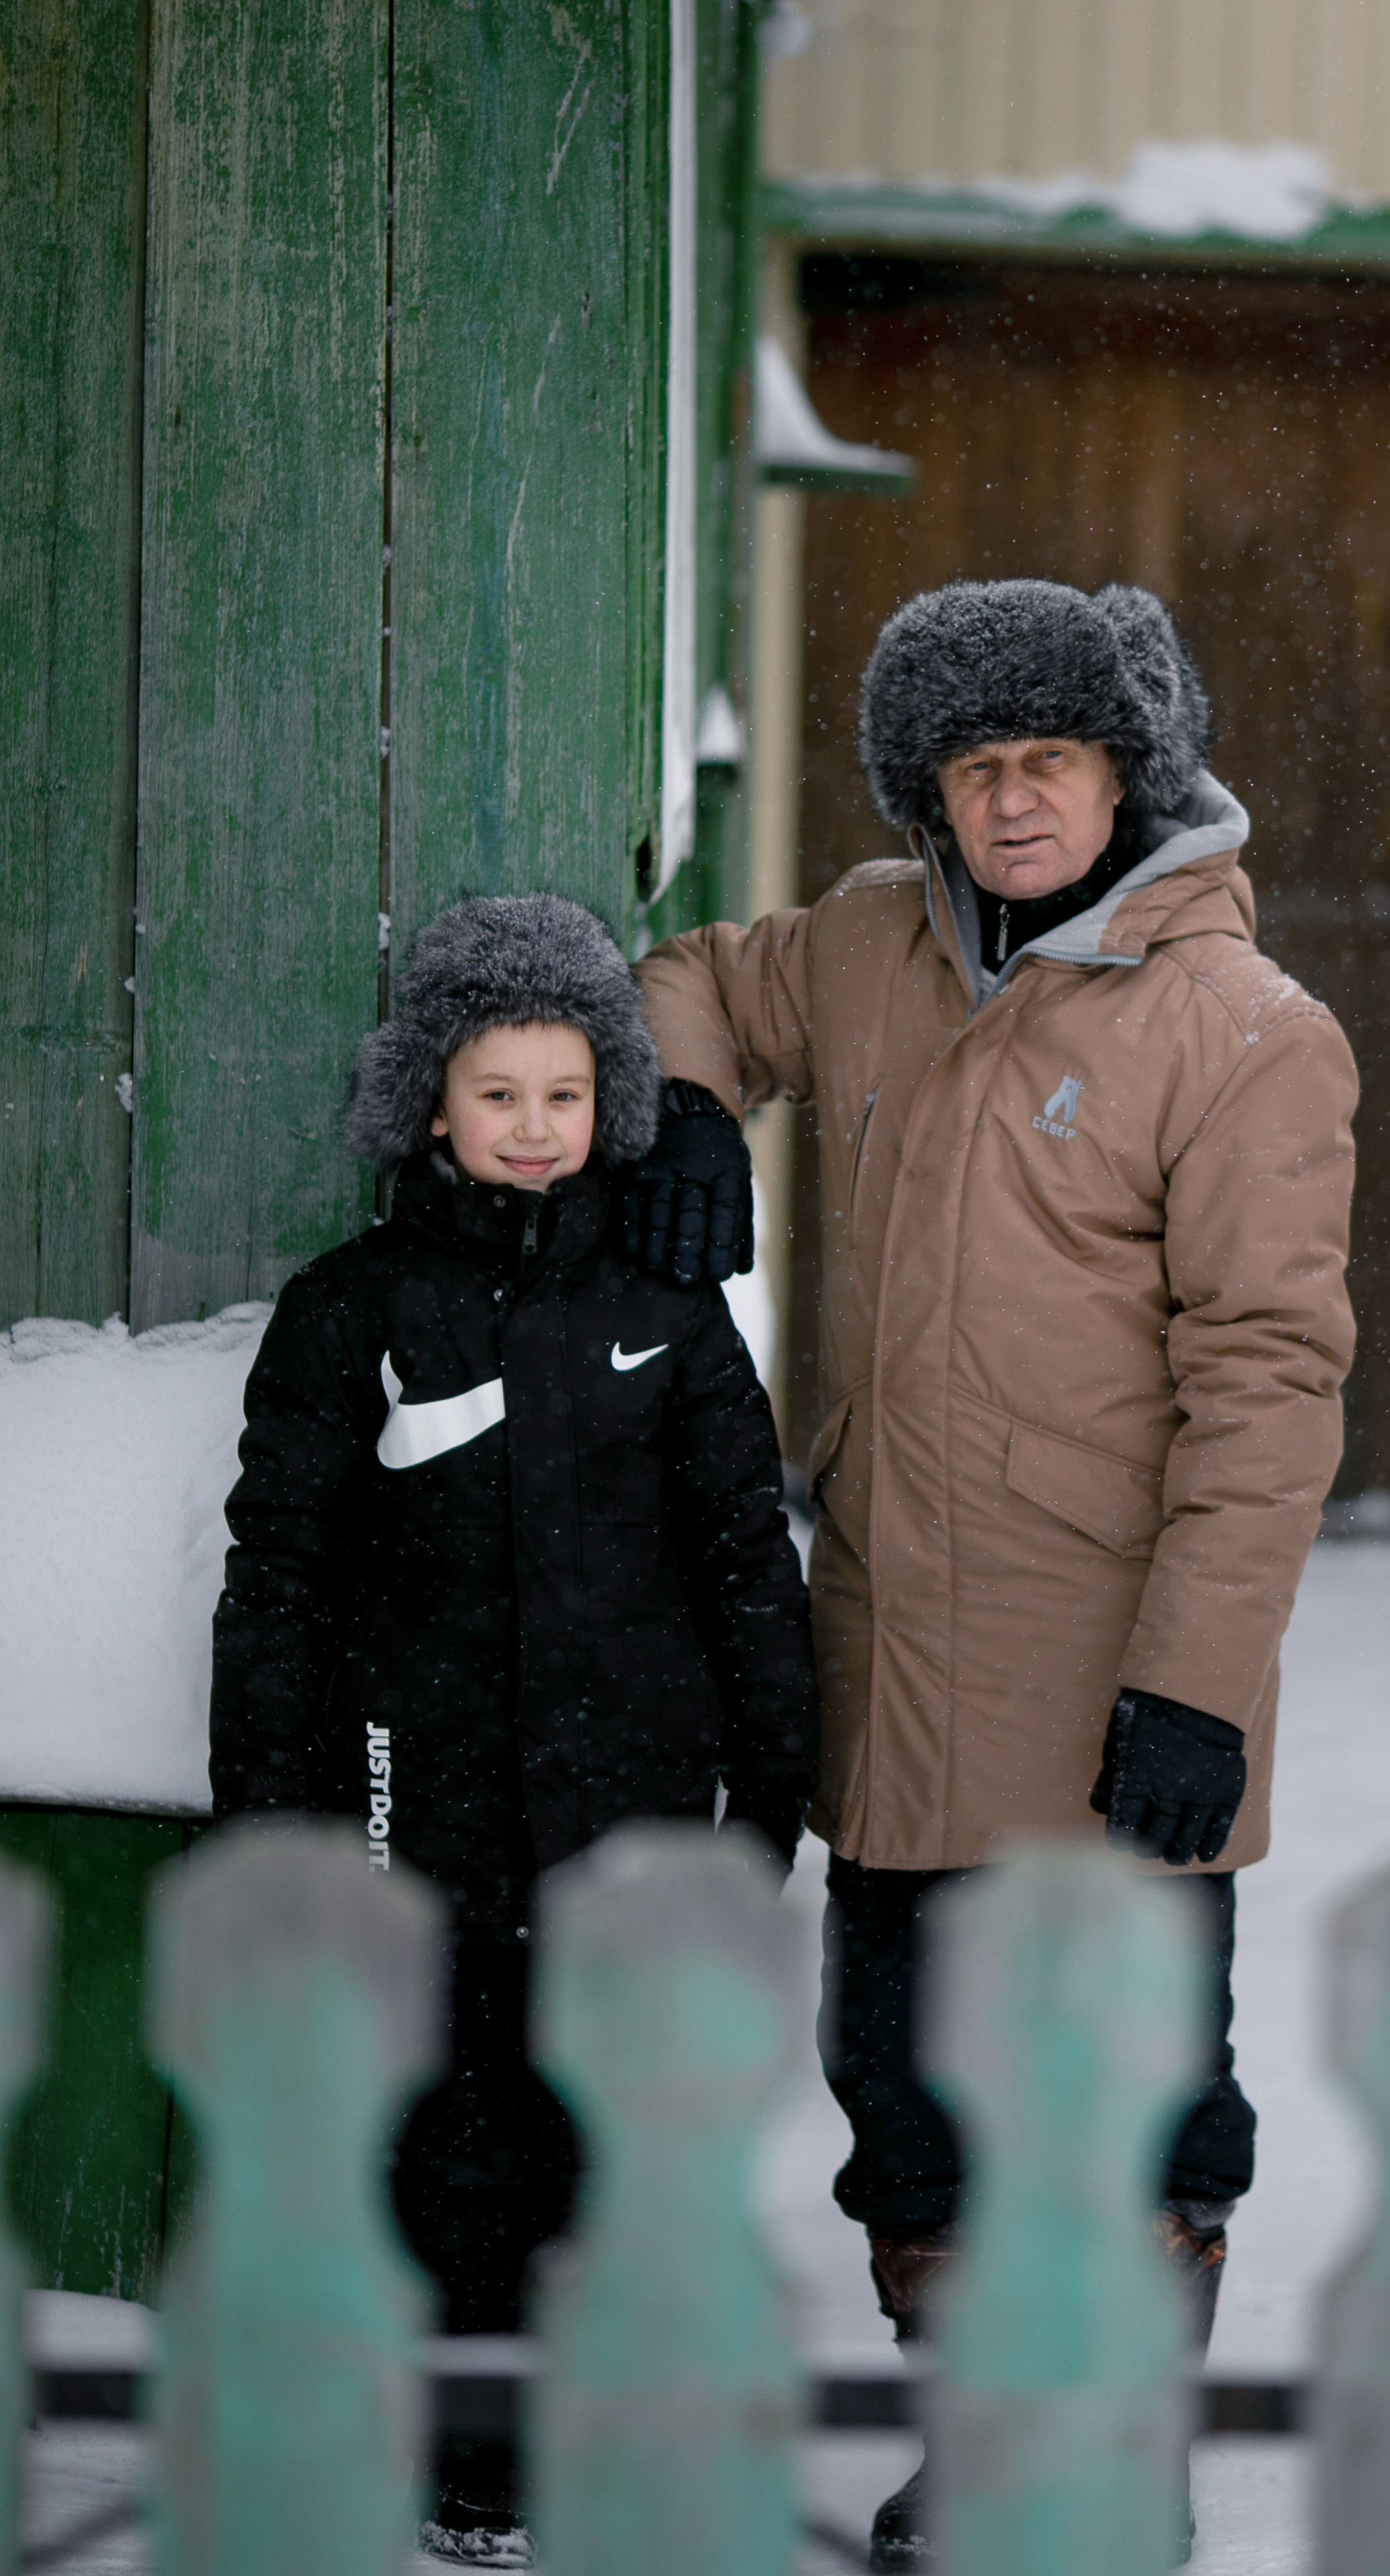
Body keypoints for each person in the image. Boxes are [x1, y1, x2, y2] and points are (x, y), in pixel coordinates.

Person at [629, 581, 1358, 2567]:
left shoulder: (1243, 1031)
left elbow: (1274, 1382)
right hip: (888, 1652)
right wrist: (684, 1105)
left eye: (1048, 760)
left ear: (1131, 770)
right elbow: (691, 975)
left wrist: (1200, 1682)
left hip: (1116, 1678)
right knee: (906, 2096)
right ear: (927, 793)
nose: (1012, 801)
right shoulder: (874, 946)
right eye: (972, 767)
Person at [208, 893, 818, 2565]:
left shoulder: (671, 1313)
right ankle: (466, 2442)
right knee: (450, 2117)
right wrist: (268, 1811)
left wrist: (770, 1787)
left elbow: (743, 1562)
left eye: (564, 1094)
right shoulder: (352, 1310)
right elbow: (280, 1578)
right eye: (498, 1094)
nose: (534, 1129)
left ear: (605, 1104)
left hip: (629, 1810)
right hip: (420, 1806)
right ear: (431, 1105)